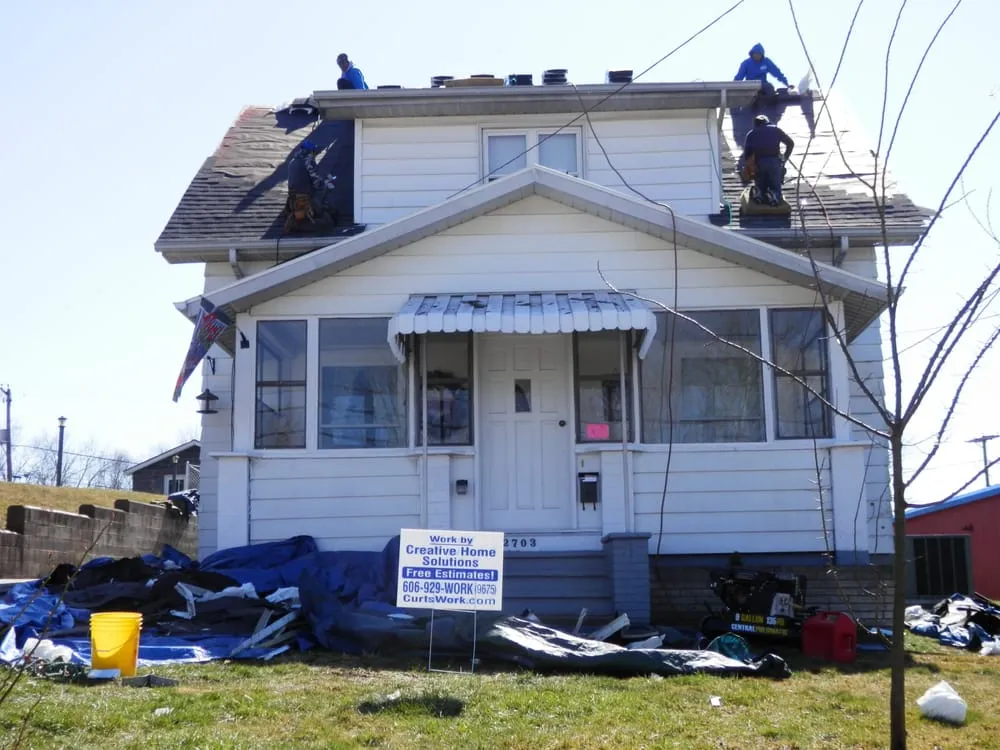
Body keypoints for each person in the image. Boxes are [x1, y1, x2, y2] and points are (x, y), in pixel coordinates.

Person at [742, 115, 794, 206]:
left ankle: (759, 194)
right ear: (767, 122)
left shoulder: (751, 134)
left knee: (760, 184)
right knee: (775, 185)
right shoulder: (776, 130)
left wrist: (750, 169)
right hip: (774, 162)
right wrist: (784, 159)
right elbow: (791, 143)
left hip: (759, 163)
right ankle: (774, 195)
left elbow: (747, 155)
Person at [286, 139, 336, 230]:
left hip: (292, 200)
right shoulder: (308, 161)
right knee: (326, 220)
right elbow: (316, 181)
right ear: (310, 152)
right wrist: (327, 183)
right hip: (304, 199)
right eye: (313, 152)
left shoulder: (293, 161)